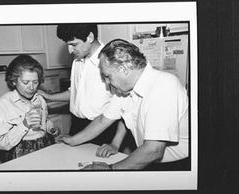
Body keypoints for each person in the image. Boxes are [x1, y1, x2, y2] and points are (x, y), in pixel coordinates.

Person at [57, 39, 189, 170]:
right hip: (149, 160)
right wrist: (73, 140)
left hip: (179, 166)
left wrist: (110, 169)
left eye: (107, 76)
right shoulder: (126, 90)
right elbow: (103, 120)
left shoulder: (163, 86)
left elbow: (153, 150)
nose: (107, 83)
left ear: (124, 69)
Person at [38, 24, 124, 147]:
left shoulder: (111, 61)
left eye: (73, 44)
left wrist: (115, 144)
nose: (70, 51)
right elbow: (74, 92)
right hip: (77, 125)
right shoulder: (77, 61)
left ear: (89, 37)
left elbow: (124, 107)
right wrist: (49, 96)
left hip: (104, 129)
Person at [0, 55, 55, 162]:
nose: (31, 88)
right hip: (20, 152)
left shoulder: (40, 99)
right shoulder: (4, 104)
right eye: (25, 82)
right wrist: (24, 124)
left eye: (35, 82)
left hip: (45, 144)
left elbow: (45, 120)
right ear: (13, 81)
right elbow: (1, 143)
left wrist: (51, 128)